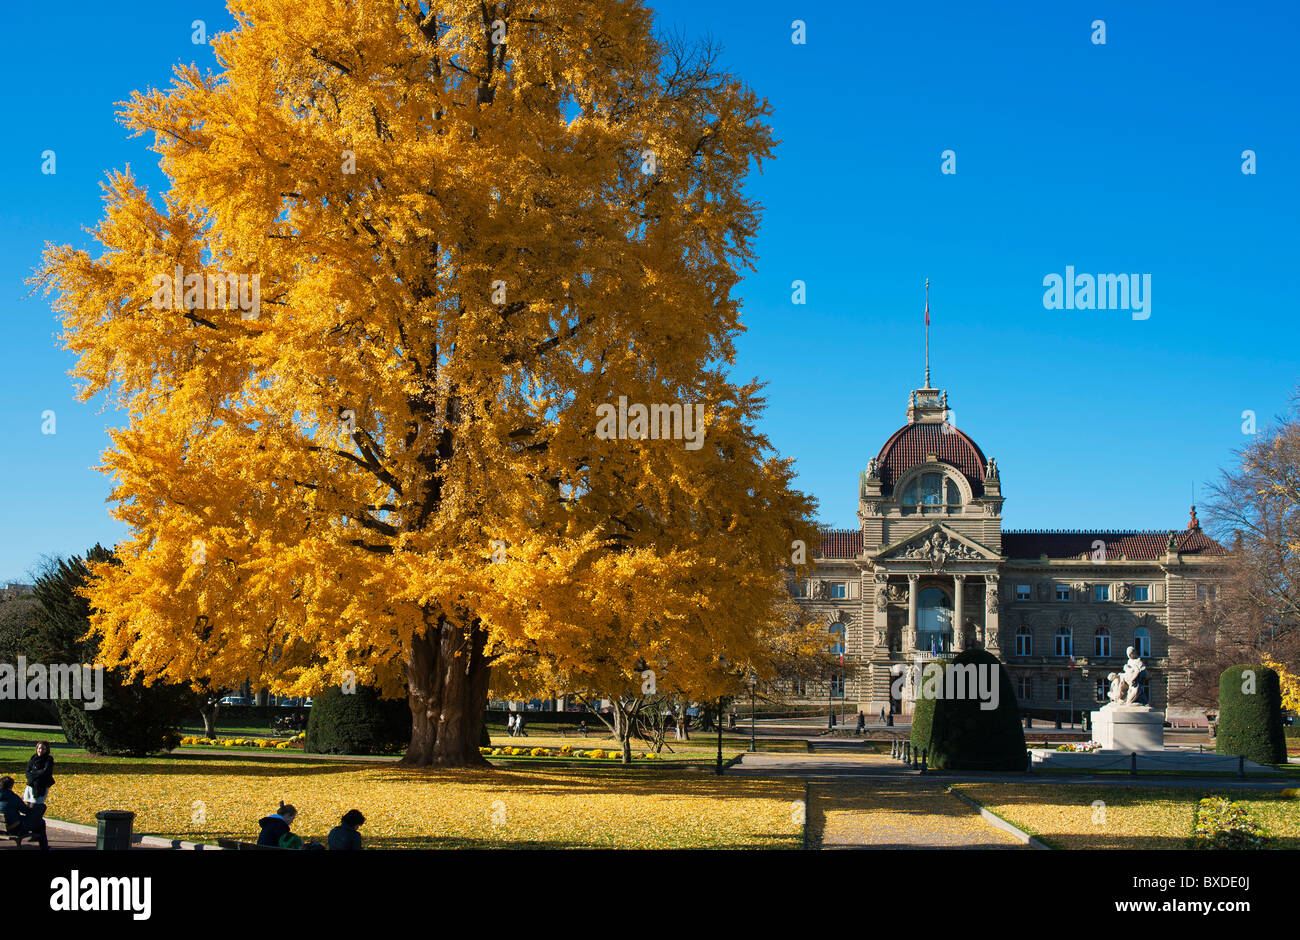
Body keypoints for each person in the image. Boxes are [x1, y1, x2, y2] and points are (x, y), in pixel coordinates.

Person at [0, 776, 48, 849]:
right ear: (11, 786)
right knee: (40, 822)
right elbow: (26, 811)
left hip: (2, 827)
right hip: (14, 828)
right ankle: (44, 847)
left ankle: (37, 839)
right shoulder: (13, 797)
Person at [24, 741, 55, 807]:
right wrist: (32, 776)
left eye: (43, 749)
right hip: (31, 784)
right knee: (28, 805)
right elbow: (28, 771)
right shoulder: (33, 758)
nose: (40, 750)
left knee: (35, 805)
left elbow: (45, 771)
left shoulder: (49, 759)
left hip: (41, 786)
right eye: (39, 748)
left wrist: (34, 773)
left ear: (47, 750)